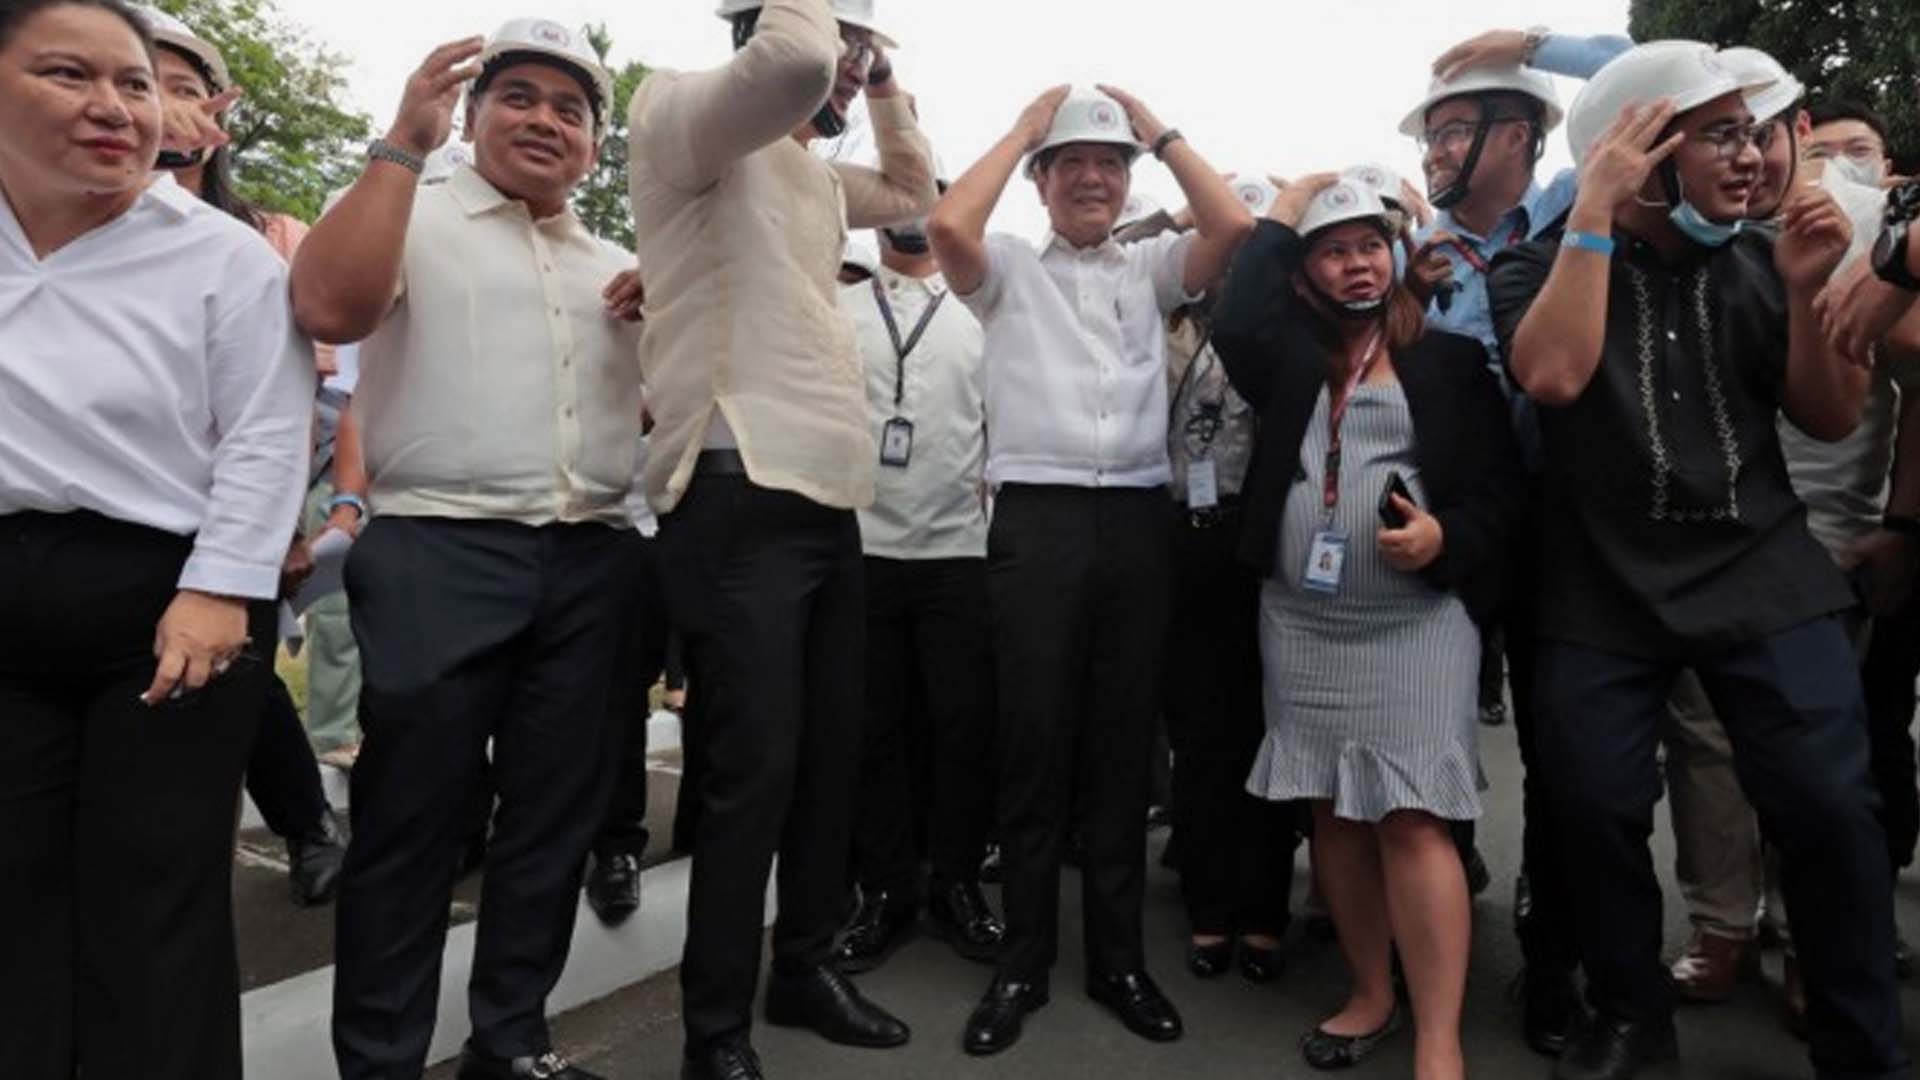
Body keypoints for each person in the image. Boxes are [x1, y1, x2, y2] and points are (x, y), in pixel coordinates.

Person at [1489, 40, 1909, 1080]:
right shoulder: (1535, 266)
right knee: (1593, 806)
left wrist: (1807, 292)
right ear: (1634, 153)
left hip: (1761, 569)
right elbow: (1552, 376)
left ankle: (1862, 1045)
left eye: (1752, 134)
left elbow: (1828, 414)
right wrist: (1593, 209)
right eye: (1719, 136)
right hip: (1599, 584)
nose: (1752, 157)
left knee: (1829, 803)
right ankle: (1631, 1016)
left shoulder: (1764, 261)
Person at [290, 19, 644, 1080]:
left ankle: (511, 1043)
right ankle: (380, 1063)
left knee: (552, 824)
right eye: (518, 97)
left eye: (571, 109)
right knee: (412, 826)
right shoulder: (410, 208)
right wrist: (402, 144)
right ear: (474, 112)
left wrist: (671, 320)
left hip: (591, 559)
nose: (545, 121)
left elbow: (658, 414)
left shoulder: (617, 265)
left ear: (595, 144)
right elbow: (326, 305)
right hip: (440, 549)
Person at [0, 3, 314, 1077]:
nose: (113, 107)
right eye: (67, 75)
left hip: (173, 601)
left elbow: (268, 432)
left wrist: (222, 587)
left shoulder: (222, 255)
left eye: (134, 84)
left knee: (152, 898)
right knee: (13, 893)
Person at [626, 2, 936, 1076]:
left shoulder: (814, 174)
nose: (845, 62)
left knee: (828, 766)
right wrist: (825, 44)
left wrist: (884, 82)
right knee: (750, 777)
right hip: (733, 485)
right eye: (841, 39)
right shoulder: (680, 114)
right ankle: (713, 1033)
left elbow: (912, 191)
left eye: (863, 46)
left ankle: (801, 968)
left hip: (825, 496)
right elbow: (796, 59)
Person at [929, 82, 1253, 1056]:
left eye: (1109, 164)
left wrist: (1158, 129)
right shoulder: (1008, 271)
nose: (1091, 179)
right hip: (1038, 516)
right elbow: (947, 224)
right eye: (1070, 163)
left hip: (1138, 521)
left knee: (1121, 746)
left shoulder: (1151, 267)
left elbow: (1233, 225)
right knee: (1034, 743)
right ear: (1039, 181)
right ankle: (1021, 962)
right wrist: (1024, 127)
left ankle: (1119, 961)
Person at [1212, 176, 1521, 1079]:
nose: (1357, 265)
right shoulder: (1286, 358)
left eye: (1369, 247)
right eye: (1333, 251)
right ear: (1303, 272)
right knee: (1334, 814)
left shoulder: (1448, 361)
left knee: (1413, 819)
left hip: (1415, 624)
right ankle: (1371, 993)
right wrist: (1290, 204)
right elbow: (1236, 317)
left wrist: (1445, 536)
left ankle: (1438, 1036)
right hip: (1301, 622)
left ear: (1394, 256)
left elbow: (1504, 493)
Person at [1396, 38, 1606, 1054]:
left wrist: (1529, 48)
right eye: (1431, 134)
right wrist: (1406, 295)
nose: (1434, 150)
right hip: (1457, 526)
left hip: (1569, 524)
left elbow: (1660, 76)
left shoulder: (1576, 211)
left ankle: (1551, 950)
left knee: (1562, 747)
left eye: (1451, 130)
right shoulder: (1410, 248)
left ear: (1518, 134)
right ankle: (1436, 899)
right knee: (1431, 725)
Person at [135, 1, 350, 908]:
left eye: (184, 86)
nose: (161, 104)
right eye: (144, 82)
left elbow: (293, 403)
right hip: (106, 522)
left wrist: (281, 527)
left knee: (236, 679)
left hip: (233, 513)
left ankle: (306, 828)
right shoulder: (50, 228)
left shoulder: (267, 238)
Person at [1127, 176, 1300, 985]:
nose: (1234, 261)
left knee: (1268, 727)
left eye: (1252, 246)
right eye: (1228, 243)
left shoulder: (1289, 333)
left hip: (1263, 544)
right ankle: (1207, 902)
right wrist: (1184, 215)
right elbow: (1122, 253)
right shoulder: (1163, 320)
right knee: (1199, 734)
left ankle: (1263, 907)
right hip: (1180, 539)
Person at [832, 201, 1006, 975]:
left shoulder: (982, 311)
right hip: (859, 546)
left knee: (964, 728)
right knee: (873, 729)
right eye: (895, 202)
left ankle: (958, 883)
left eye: (924, 199)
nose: (909, 215)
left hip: (959, 551)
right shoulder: (838, 307)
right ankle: (884, 890)